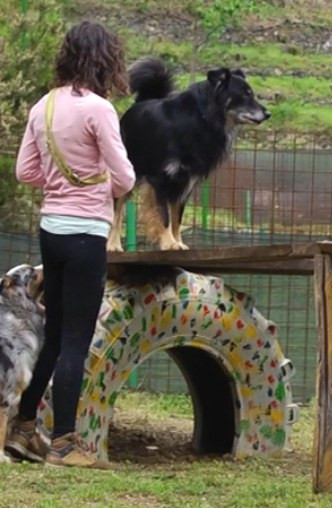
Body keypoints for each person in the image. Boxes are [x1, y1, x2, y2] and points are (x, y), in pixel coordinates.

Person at [7, 20, 135, 468]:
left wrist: (60, 180)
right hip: (86, 233)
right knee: (77, 339)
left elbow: (25, 172)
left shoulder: (42, 106)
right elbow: (126, 178)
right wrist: (93, 179)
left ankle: (23, 427)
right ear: (106, 61)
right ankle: (64, 444)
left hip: (51, 231)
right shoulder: (100, 110)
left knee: (57, 335)